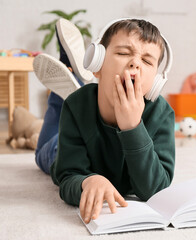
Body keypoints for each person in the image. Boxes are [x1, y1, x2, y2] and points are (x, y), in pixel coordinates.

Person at [33, 18, 175, 224]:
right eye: (123, 53)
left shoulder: (162, 114)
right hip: (61, 149)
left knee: (62, 126)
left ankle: (72, 79)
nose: (135, 62)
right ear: (97, 64)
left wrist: (132, 127)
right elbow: (67, 177)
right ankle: (66, 70)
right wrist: (88, 181)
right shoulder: (77, 105)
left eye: (147, 61)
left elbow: (157, 190)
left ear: (156, 82)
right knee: (45, 153)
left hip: (87, 137)